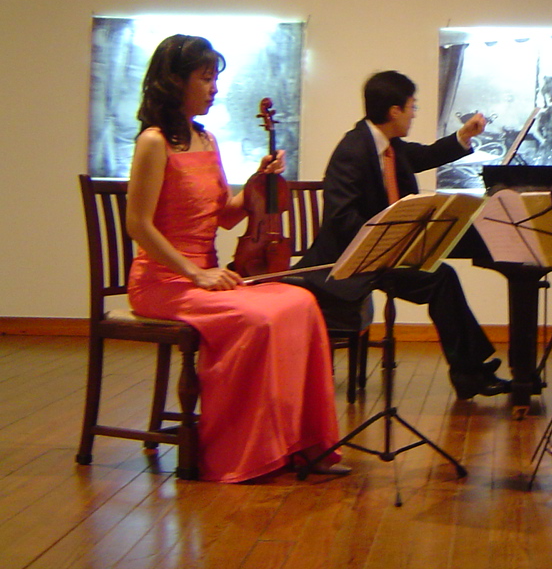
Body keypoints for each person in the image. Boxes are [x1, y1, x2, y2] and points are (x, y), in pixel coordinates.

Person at [125, 35, 344, 483]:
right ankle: (238, 450)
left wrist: (258, 183)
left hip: (203, 277)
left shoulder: (206, 139)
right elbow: (138, 225)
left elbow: (224, 216)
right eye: (205, 78)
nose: (214, 88)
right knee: (258, 319)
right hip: (163, 282)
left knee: (300, 303)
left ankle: (296, 443)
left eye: (215, 79)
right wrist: (195, 273)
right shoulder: (153, 142)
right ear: (175, 82)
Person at [296, 70, 510, 399]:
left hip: (384, 251)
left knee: (446, 269)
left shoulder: (388, 145)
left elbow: (426, 155)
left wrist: (464, 135)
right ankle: (470, 372)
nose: (414, 113)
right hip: (350, 261)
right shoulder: (353, 149)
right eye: (412, 107)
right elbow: (340, 217)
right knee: (441, 278)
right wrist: (386, 239)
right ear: (394, 110)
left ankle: (471, 370)